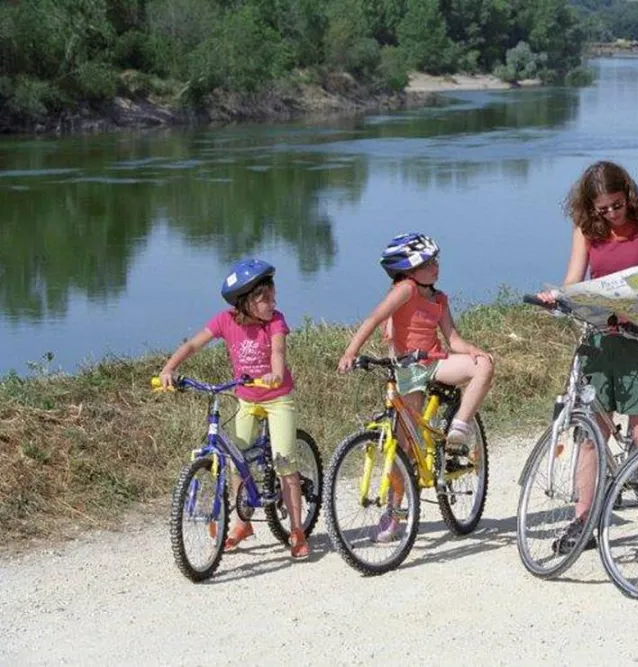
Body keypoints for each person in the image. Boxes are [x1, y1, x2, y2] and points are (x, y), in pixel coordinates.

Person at [540, 160, 638, 562]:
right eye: (602, 209)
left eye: (617, 205)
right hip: (603, 339)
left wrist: (636, 283)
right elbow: (572, 279)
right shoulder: (587, 230)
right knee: (590, 433)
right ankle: (583, 520)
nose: (612, 214)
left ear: (628, 195)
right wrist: (560, 297)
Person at [337, 232, 495, 542]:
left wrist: (473, 350)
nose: (435, 267)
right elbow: (374, 318)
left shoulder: (439, 299)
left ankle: (460, 425)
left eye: (436, 261)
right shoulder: (405, 290)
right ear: (409, 271)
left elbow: (453, 340)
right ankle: (395, 512)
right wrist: (351, 351)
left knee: (485, 366)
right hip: (407, 372)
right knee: (402, 446)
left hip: (435, 363)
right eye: (427, 263)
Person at [158, 259, 310, 560]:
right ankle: (242, 524)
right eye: (263, 298)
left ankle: (296, 529)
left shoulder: (275, 321)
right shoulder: (224, 321)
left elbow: (278, 351)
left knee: (284, 463)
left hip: (277, 397)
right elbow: (192, 345)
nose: (272, 302)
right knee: (236, 459)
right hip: (247, 399)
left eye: (272, 295)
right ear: (244, 303)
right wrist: (169, 368)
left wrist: (275, 374)